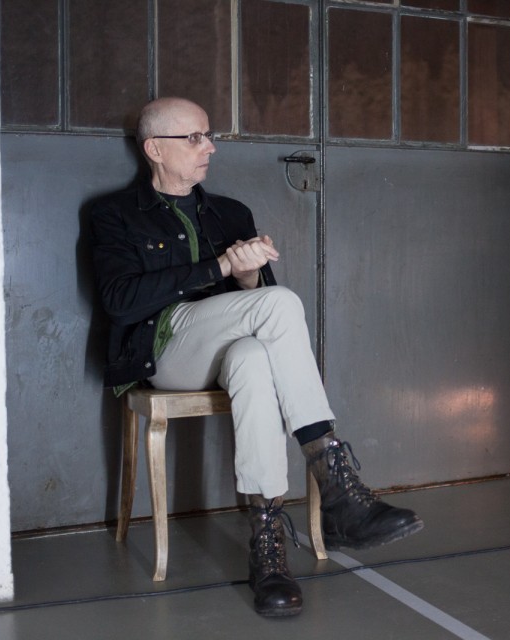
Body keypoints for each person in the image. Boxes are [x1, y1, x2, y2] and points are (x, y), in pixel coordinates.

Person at [90, 97, 423, 617]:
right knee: (281, 302)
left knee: (251, 355)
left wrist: (246, 274)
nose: (210, 147)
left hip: (227, 348)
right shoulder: (113, 214)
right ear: (154, 149)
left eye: (209, 135)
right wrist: (220, 267)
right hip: (164, 352)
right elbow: (120, 301)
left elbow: (261, 308)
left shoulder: (230, 213)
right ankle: (334, 480)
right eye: (194, 137)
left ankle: (267, 547)